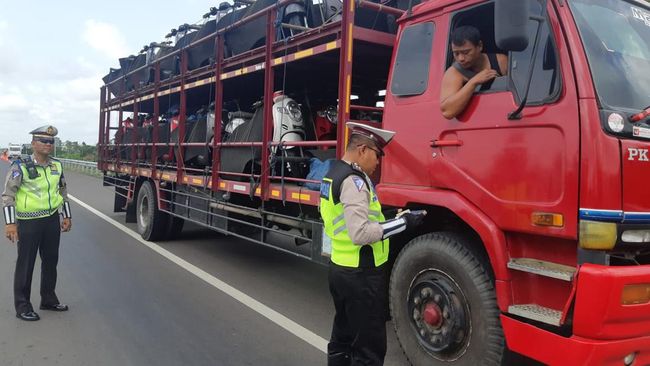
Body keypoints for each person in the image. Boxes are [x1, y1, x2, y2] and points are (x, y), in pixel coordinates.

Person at [320, 122, 426, 366]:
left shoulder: (332, 173)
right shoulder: (354, 181)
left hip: (340, 269)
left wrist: (389, 218)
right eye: (377, 155)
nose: (379, 162)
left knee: (343, 336)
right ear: (362, 150)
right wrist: (404, 223)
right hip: (361, 275)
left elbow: (343, 221)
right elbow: (360, 233)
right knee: (369, 348)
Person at [2, 125, 72, 321]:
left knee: (51, 261)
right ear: (33, 144)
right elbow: (8, 196)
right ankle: (23, 305)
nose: (48, 144)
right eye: (43, 141)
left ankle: (48, 299)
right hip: (28, 222)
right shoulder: (20, 166)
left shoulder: (57, 166)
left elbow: (62, 192)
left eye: (51, 141)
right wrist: (10, 224)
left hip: (50, 220)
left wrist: (66, 216)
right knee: (26, 264)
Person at [440, 25, 509, 119]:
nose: (461, 58)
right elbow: (447, 112)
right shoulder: (454, 73)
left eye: (466, 52)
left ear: (480, 46)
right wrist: (474, 82)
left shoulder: (501, 61)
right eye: (456, 53)